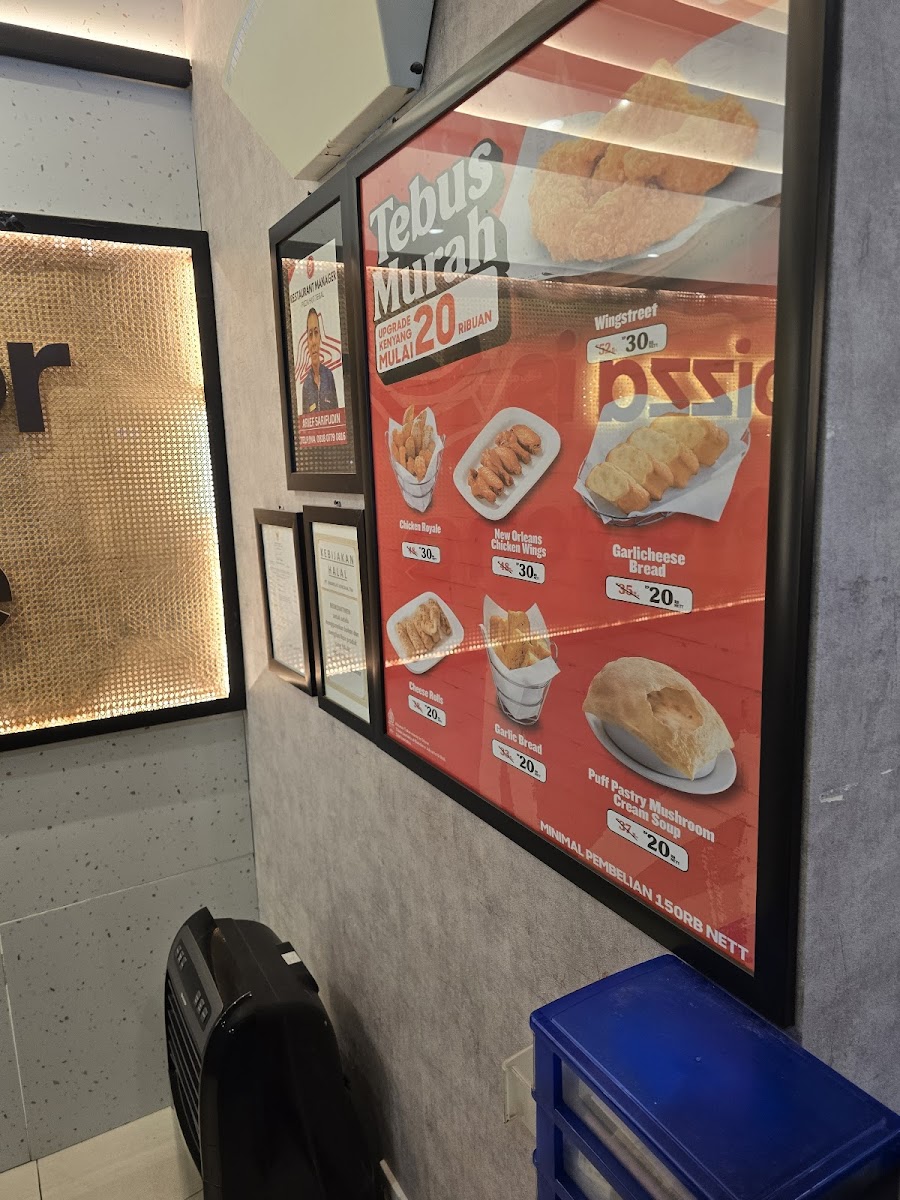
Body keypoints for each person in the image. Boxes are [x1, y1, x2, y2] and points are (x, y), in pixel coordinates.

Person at [300, 308, 339, 413]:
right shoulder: (306, 385)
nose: (313, 341)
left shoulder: (329, 377)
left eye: (316, 333)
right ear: (307, 342)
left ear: (320, 338)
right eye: (310, 334)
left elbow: (338, 415)